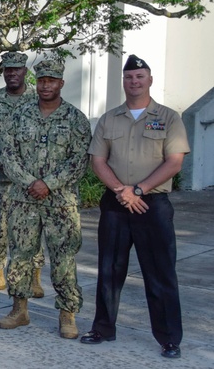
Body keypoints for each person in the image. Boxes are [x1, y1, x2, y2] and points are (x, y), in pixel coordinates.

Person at [80, 54, 190, 359]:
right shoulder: (109, 118)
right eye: (129, 77)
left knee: (160, 272)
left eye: (140, 76)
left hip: (152, 205)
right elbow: (97, 160)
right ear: (123, 81)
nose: (134, 81)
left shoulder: (169, 117)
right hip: (116, 203)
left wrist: (139, 190)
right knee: (109, 270)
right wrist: (121, 190)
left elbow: (175, 162)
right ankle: (103, 328)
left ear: (150, 79)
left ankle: (169, 338)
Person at [0, 59, 91, 338]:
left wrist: (47, 184)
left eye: (51, 80)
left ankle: (67, 314)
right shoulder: (19, 115)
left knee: (64, 258)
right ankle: (19, 309)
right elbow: (7, 155)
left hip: (60, 203)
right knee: (21, 256)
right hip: (23, 201)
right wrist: (30, 183)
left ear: (61, 83)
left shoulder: (75, 119)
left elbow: (79, 161)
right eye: (42, 80)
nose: (46, 85)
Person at [0, 52, 44, 296]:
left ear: (25, 71)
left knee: (30, 229)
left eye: (17, 69)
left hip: (28, 180)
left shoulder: (38, 100)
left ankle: (34, 277)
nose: (12, 73)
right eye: (8, 69)